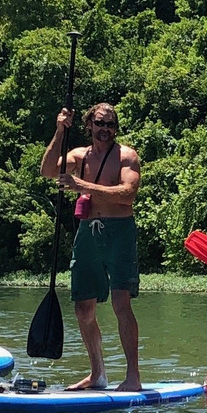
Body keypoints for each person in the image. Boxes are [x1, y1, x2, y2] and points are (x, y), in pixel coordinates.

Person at [40, 103, 142, 391]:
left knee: (121, 303)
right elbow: (47, 170)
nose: (105, 129)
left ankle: (133, 376)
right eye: (100, 123)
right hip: (88, 233)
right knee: (83, 307)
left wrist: (82, 185)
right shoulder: (78, 155)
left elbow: (127, 194)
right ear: (89, 125)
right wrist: (60, 129)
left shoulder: (126, 156)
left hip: (119, 232)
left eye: (110, 124)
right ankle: (97, 373)